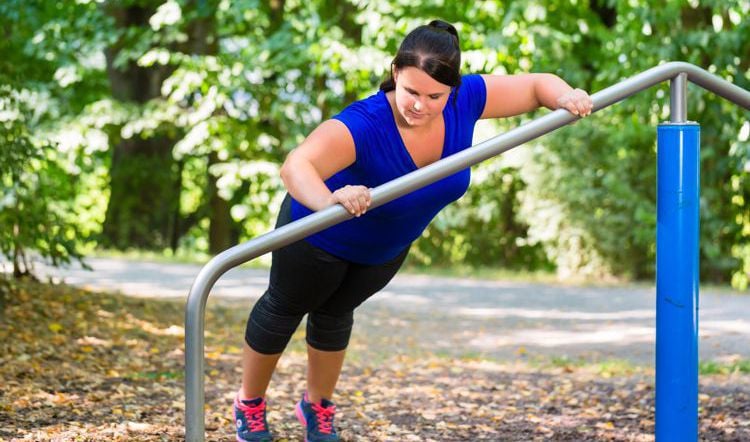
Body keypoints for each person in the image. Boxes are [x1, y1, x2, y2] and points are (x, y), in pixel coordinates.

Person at [233, 19, 593, 442]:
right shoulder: (366, 123)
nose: (420, 105)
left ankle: (317, 408)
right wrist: (330, 200)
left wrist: (565, 96)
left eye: (434, 96)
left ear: (452, 90)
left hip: (384, 248)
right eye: (411, 92)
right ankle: (250, 406)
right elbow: (296, 166)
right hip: (319, 237)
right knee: (283, 310)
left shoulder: (467, 99)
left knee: (334, 316)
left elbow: (536, 86)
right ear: (395, 75)